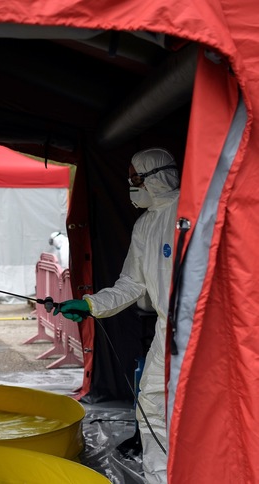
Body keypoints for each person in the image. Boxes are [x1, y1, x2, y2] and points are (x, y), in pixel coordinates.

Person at [55, 147, 179, 484]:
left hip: (206, 336)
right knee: (150, 404)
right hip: (167, 333)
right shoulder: (145, 225)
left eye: (136, 178)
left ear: (157, 177)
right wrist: (90, 304)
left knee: (194, 410)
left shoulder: (195, 214)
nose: (130, 185)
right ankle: (160, 477)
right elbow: (132, 283)